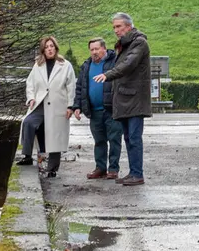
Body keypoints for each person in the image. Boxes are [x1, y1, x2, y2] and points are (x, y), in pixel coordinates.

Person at [94, 13, 151, 187]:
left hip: (135, 99)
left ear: (128, 26)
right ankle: (133, 172)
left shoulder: (139, 43)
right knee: (128, 138)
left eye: (118, 26)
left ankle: (137, 174)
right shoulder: (125, 45)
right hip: (126, 99)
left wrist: (108, 75)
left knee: (134, 138)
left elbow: (128, 65)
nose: (116, 30)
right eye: (114, 27)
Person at [19, 35, 76, 177]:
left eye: (51, 46)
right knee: (28, 123)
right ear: (43, 50)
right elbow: (30, 83)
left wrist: (70, 106)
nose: (49, 49)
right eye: (46, 47)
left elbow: (71, 87)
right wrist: (31, 98)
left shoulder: (65, 65)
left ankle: (52, 169)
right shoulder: (38, 64)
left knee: (55, 136)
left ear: (55, 48)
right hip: (40, 104)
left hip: (58, 105)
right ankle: (27, 156)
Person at [70, 37, 122, 180]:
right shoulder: (86, 65)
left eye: (97, 49)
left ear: (104, 49)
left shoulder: (115, 62)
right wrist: (77, 106)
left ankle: (113, 169)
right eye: (92, 49)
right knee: (99, 141)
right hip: (94, 111)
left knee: (114, 139)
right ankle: (100, 168)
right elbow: (80, 87)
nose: (94, 52)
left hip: (112, 110)